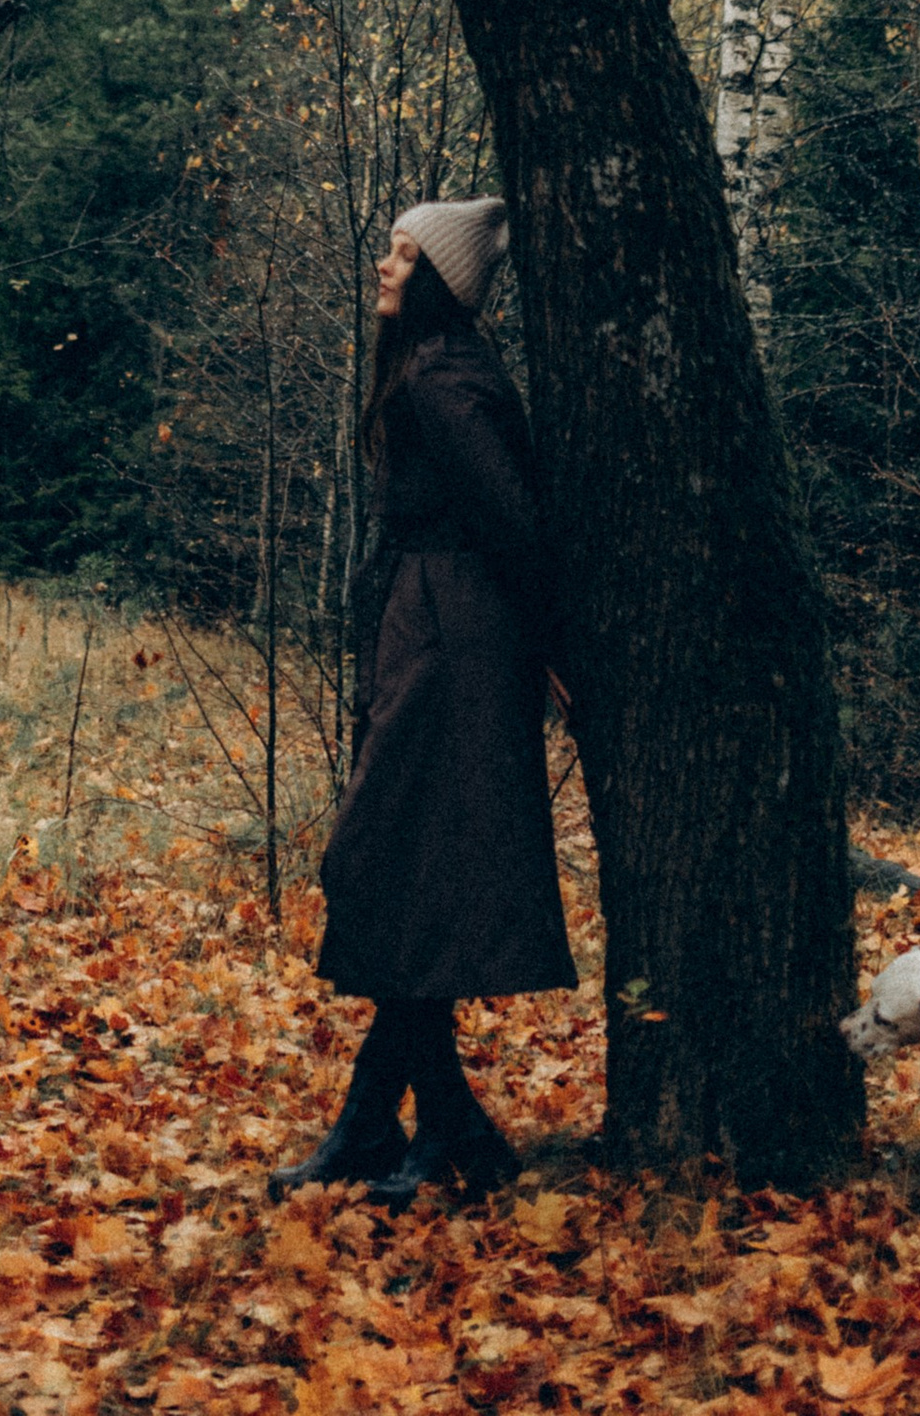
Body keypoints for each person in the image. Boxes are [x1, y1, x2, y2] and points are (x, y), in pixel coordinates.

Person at [273, 193, 574, 1206]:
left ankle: (399, 1125)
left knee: (396, 870)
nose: (386, 267)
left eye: (405, 256)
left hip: (457, 651)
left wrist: (554, 652)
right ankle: (426, 1123)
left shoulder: (445, 380)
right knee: (402, 878)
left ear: (442, 280)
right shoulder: (429, 371)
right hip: (433, 638)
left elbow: (513, 524)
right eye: (391, 247)